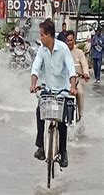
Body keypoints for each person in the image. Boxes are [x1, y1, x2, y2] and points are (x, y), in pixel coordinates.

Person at [30, 18, 77, 168]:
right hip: (47, 90)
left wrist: (73, 87)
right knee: (39, 112)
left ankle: (63, 153)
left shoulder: (63, 49)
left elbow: (71, 69)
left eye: (42, 35)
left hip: (62, 92)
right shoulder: (42, 50)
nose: (40, 38)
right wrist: (33, 84)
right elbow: (36, 68)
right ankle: (41, 147)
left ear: (49, 36)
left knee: (62, 122)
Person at [66, 30, 90, 121]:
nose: (70, 43)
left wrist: (86, 73)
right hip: (65, 80)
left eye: (71, 40)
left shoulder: (79, 52)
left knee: (79, 93)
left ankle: (81, 116)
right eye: (68, 41)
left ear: (74, 40)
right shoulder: (63, 51)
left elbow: (84, 64)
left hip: (77, 80)